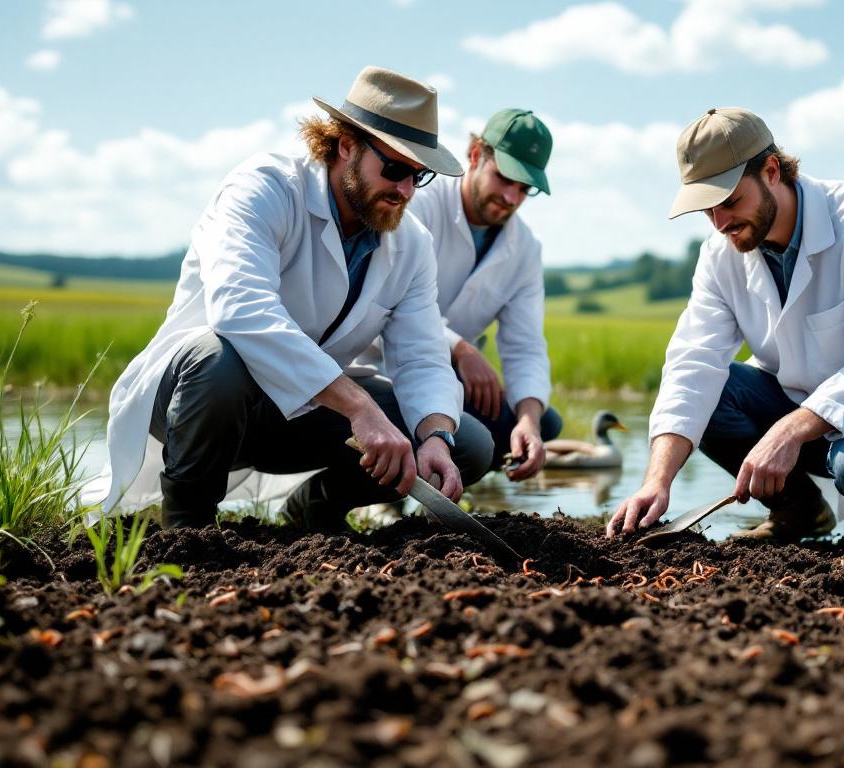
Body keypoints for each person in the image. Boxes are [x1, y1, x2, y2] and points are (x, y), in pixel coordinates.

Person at [83, 67, 494, 530]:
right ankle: (186, 531)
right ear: (346, 145)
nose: (403, 191)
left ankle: (315, 508)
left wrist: (435, 435)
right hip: (198, 401)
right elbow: (242, 310)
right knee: (219, 359)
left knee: (470, 443)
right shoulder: (265, 188)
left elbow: (422, 354)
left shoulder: (412, 244)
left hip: (298, 419)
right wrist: (360, 408)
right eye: (395, 168)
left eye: (417, 177)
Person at [607, 108, 844, 552]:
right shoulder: (720, 254)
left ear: (772, 170)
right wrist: (657, 481)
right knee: (712, 394)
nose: (720, 223)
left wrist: (789, 431)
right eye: (707, 210)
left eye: (729, 201)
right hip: (801, 405)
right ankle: (799, 509)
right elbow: (693, 361)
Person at [405, 109, 561, 480]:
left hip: (449, 380)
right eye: (504, 178)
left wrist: (528, 421)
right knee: (473, 440)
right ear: (476, 154)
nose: (511, 197)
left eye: (525, 189)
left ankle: (435, 491)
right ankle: (329, 497)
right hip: (384, 368)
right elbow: (390, 308)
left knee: (543, 421)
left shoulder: (524, 248)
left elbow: (524, 346)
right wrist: (460, 348)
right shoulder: (420, 204)